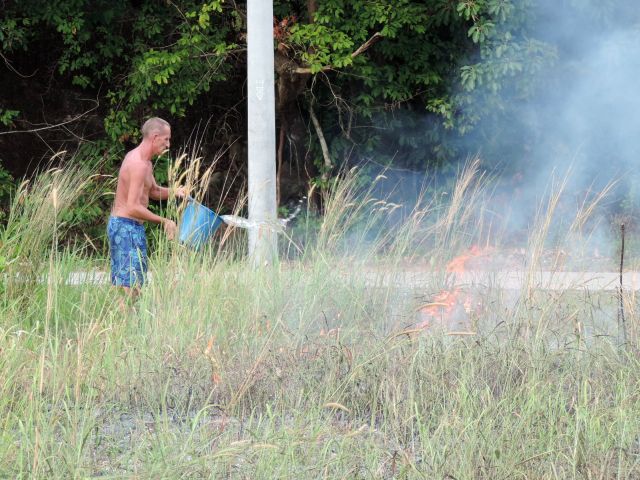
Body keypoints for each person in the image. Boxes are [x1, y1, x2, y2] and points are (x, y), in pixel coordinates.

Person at [107, 117, 185, 296]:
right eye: (166, 139)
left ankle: (128, 322)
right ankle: (125, 323)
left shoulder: (146, 162)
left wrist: (176, 191)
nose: (168, 145)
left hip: (132, 228)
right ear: (155, 136)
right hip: (125, 228)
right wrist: (164, 221)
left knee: (134, 286)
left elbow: (154, 191)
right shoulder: (138, 164)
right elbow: (132, 207)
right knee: (130, 288)